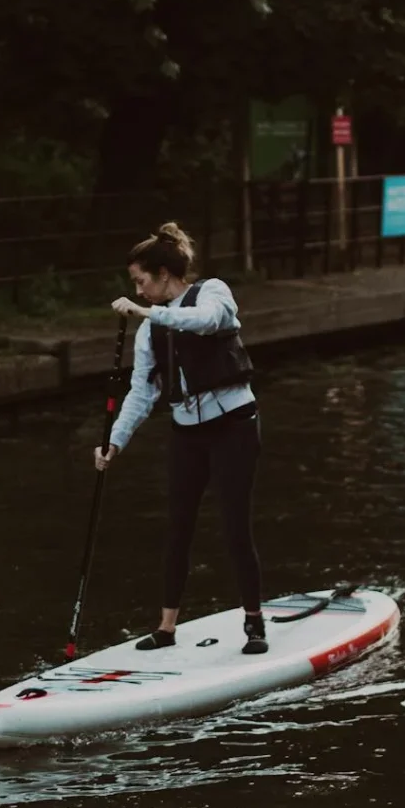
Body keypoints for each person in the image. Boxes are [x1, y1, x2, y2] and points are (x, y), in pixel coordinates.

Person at [94, 222, 268, 655]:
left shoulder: (212, 292)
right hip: (188, 433)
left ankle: (254, 622)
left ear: (164, 273)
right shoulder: (149, 331)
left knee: (234, 527)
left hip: (234, 426)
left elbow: (207, 322)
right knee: (178, 529)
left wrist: (149, 312)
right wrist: (114, 442)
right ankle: (167, 627)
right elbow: (142, 391)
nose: (138, 291)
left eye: (141, 281)